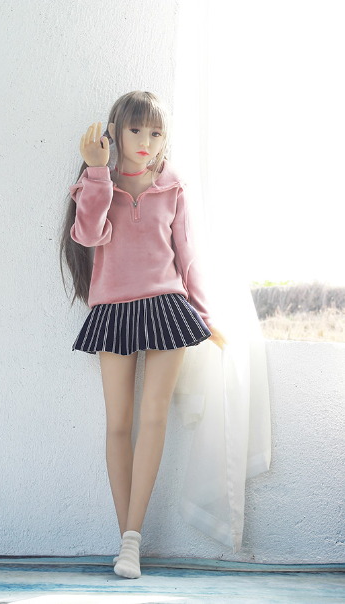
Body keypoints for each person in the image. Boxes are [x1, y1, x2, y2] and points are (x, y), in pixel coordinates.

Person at [59, 90, 228, 579]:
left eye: (156, 132)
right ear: (115, 132)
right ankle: (124, 541)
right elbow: (88, 236)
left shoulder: (173, 187)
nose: (146, 141)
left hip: (167, 306)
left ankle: (131, 541)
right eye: (136, 130)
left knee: (153, 418)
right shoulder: (98, 182)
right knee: (118, 422)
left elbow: (187, 256)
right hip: (112, 309)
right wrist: (97, 172)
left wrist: (204, 316)